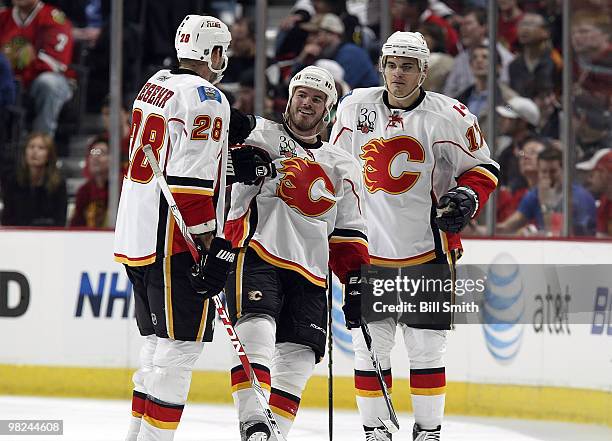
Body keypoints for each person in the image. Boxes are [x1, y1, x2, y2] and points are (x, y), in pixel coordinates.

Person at [330, 31, 499, 441]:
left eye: (408, 66)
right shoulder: (354, 107)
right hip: (369, 255)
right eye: (391, 65)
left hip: (428, 253)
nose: (397, 74)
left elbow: (483, 169)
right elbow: (334, 167)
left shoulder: (451, 116)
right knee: (372, 350)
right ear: (381, 67)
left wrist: (467, 196)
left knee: (427, 350)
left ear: (423, 71)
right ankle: (376, 430)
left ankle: (428, 432)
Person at [224, 65, 369, 441]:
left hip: (311, 270)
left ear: (328, 111)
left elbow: (349, 232)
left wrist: (357, 283)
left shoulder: (343, 164)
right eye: (302, 94)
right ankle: (254, 421)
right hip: (256, 251)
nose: (307, 103)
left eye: (317, 98)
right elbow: (214, 133)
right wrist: (235, 162)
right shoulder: (259, 133)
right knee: (257, 326)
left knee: (301, 354)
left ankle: (273, 435)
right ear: (289, 98)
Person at [113, 15, 235, 441]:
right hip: (174, 240)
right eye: (221, 49)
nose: (225, 58)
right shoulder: (207, 97)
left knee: (156, 346)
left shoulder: (155, 83)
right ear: (210, 53)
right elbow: (190, 183)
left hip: (136, 232)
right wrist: (209, 246)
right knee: (181, 348)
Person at [0, 0, 74, 136]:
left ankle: (41, 143)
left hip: (47, 81)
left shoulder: (54, 18)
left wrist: (17, 74)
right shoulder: (3, 17)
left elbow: (53, 63)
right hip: (10, 81)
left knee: (48, 83)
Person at [497, 147, 597, 236]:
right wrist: (483, 230)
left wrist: (546, 203)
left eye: (553, 171)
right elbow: (507, 226)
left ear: (564, 171)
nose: (548, 176)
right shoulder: (534, 194)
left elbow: (558, 235)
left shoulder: (579, 197)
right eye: (544, 171)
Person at [0, 132, 67, 226]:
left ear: (49, 155)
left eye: (41, 148)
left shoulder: (58, 184)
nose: (34, 151)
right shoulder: (13, 182)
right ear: (25, 152)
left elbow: (60, 221)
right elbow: (6, 219)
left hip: (49, 237)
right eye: (31, 147)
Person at [69, 135, 110, 228]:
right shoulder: (84, 191)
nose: (95, 157)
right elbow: (75, 227)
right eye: (93, 152)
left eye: (101, 152)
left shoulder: (121, 190)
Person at [577, 149, 612, 237]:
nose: (589, 180)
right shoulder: (605, 202)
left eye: (592, 175)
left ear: (605, 173)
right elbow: (601, 238)